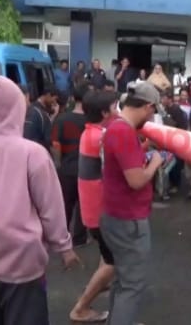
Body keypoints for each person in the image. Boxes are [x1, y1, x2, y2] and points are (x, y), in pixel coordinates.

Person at [0, 76, 80, 325]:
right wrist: (64, 248)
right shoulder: (33, 154)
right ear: (17, 109)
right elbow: (51, 208)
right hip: (25, 267)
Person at [100, 81, 166, 325]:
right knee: (132, 286)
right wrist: (155, 162)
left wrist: (143, 151)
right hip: (128, 220)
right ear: (147, 106)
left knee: (122, 280)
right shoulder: (124, 132)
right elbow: (136, 180)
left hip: (114, 215)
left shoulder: (116, 127)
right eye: (153, 111)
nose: (152, 116)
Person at [69, 90, 119, 323]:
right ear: (104, 112)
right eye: (115, 107)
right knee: (114, 260)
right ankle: (81, 308)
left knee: (107, 253)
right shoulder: (102, 137)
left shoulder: (90, 133)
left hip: (93, 209)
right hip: (100, 211)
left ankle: (101, 283)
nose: (118, 111)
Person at [52, 83, 91, 247]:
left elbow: (55, 144)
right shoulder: (92, 120)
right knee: (83, 205)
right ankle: (80, 238)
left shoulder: (62, 119)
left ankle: (63, 236)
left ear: (73, 98)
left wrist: (59, 162)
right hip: (87, 169)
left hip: (66, 168)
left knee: (65, 205)